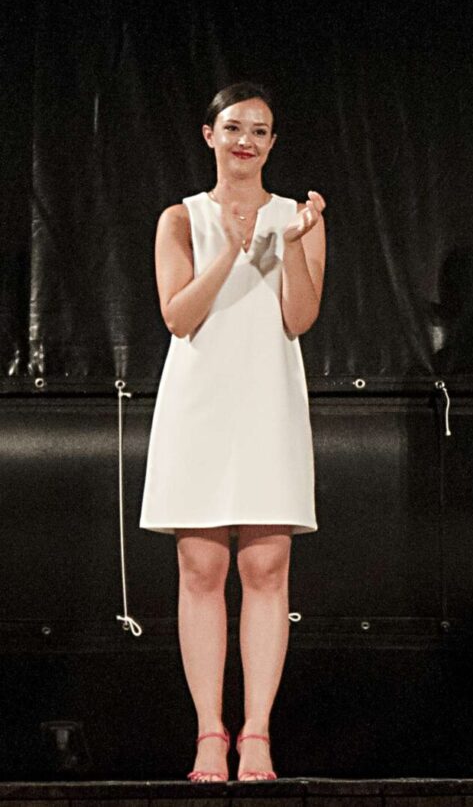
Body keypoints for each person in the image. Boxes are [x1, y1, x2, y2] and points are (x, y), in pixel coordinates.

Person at [141, 82, 327, 783]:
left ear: (273, 142)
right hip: (200, 400)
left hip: (267, 394)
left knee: (266, 567)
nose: (247, 139)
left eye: (261, 129)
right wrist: (235, 248)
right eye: (234, 127)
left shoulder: (298, 215)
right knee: (202, 567)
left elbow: (299, 317)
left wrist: (295, 248)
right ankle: (209, 734)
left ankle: (257, 733)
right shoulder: (180, 219)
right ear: (209, 135)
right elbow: (179, 315)